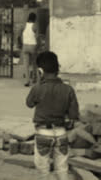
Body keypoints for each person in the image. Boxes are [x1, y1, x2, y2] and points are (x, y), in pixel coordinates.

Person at [26, 51, 79, 180]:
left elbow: (29, 103)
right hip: (61, 133)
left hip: (43, 133)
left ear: (40, 71)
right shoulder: (68, 89)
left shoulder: (37, 88)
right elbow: (74, 115)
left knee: (43, 171)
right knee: (62, 169)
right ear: (58, 69)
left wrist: (39, 81)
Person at [22, 12, 38, 87]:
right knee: (34, 63)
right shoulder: (34, 26)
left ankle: (27, 81)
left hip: (25, 46)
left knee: (26, 65)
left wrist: (22, 41)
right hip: (32, 46)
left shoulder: (24, 25)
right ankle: (34, 78)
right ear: (34, 18)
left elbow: (20, 34)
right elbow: (37, 37)